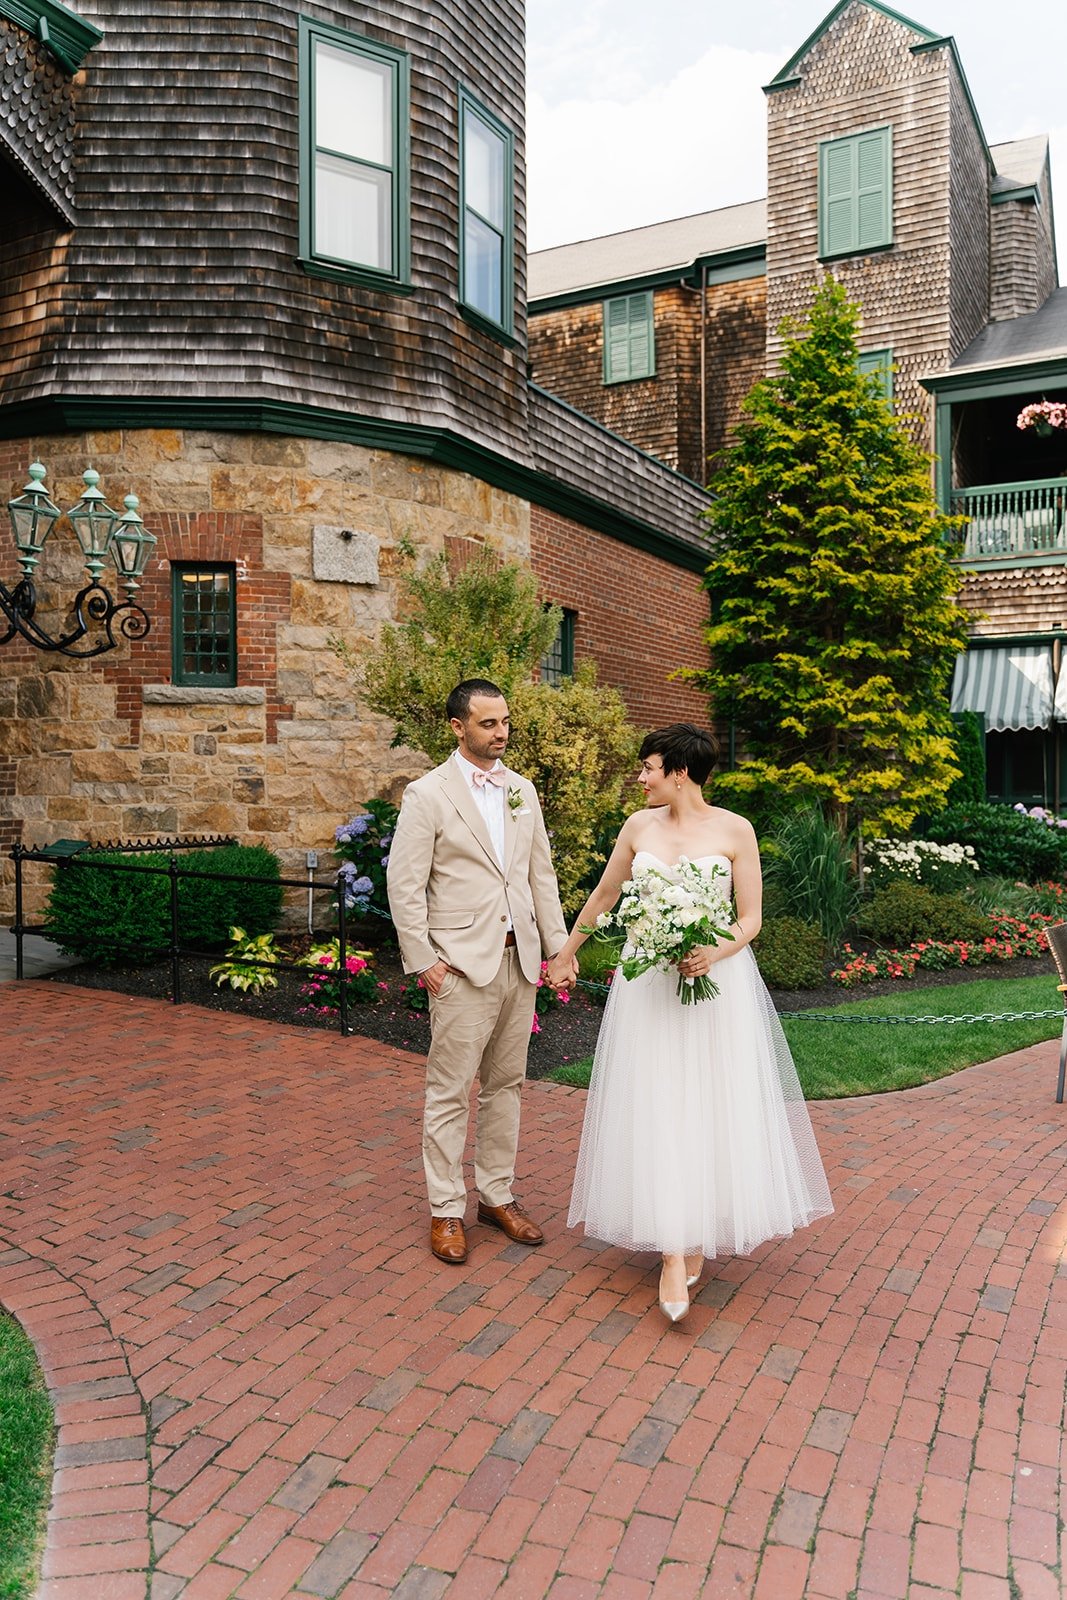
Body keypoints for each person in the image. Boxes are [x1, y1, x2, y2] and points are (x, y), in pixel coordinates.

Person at [547, 723, 833, 1323]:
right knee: (657, 1102)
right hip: (647, 988)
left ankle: (696, 1232)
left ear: (678, 771)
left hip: (715, 986)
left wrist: (712, 952)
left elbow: (750, 918)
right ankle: (673, 1251)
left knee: (707, 1104)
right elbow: (604, 897)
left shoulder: (735, 830)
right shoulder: (638, 827)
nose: (641, 777)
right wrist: (568, 951)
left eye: (648, 767)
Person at [387, 678, 577, 1264]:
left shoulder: (522, 790)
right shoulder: (428, 794)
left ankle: (496, 1196)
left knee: (507, 1087)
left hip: (519, 963)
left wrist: (558, 950)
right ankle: (446, 1209)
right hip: (461, 968)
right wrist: (425, 963)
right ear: (458, 727)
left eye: (505, 722)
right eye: (489, 723)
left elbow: (539, 877)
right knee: (449, 1092)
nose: (502, 733)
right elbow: (405, 884)